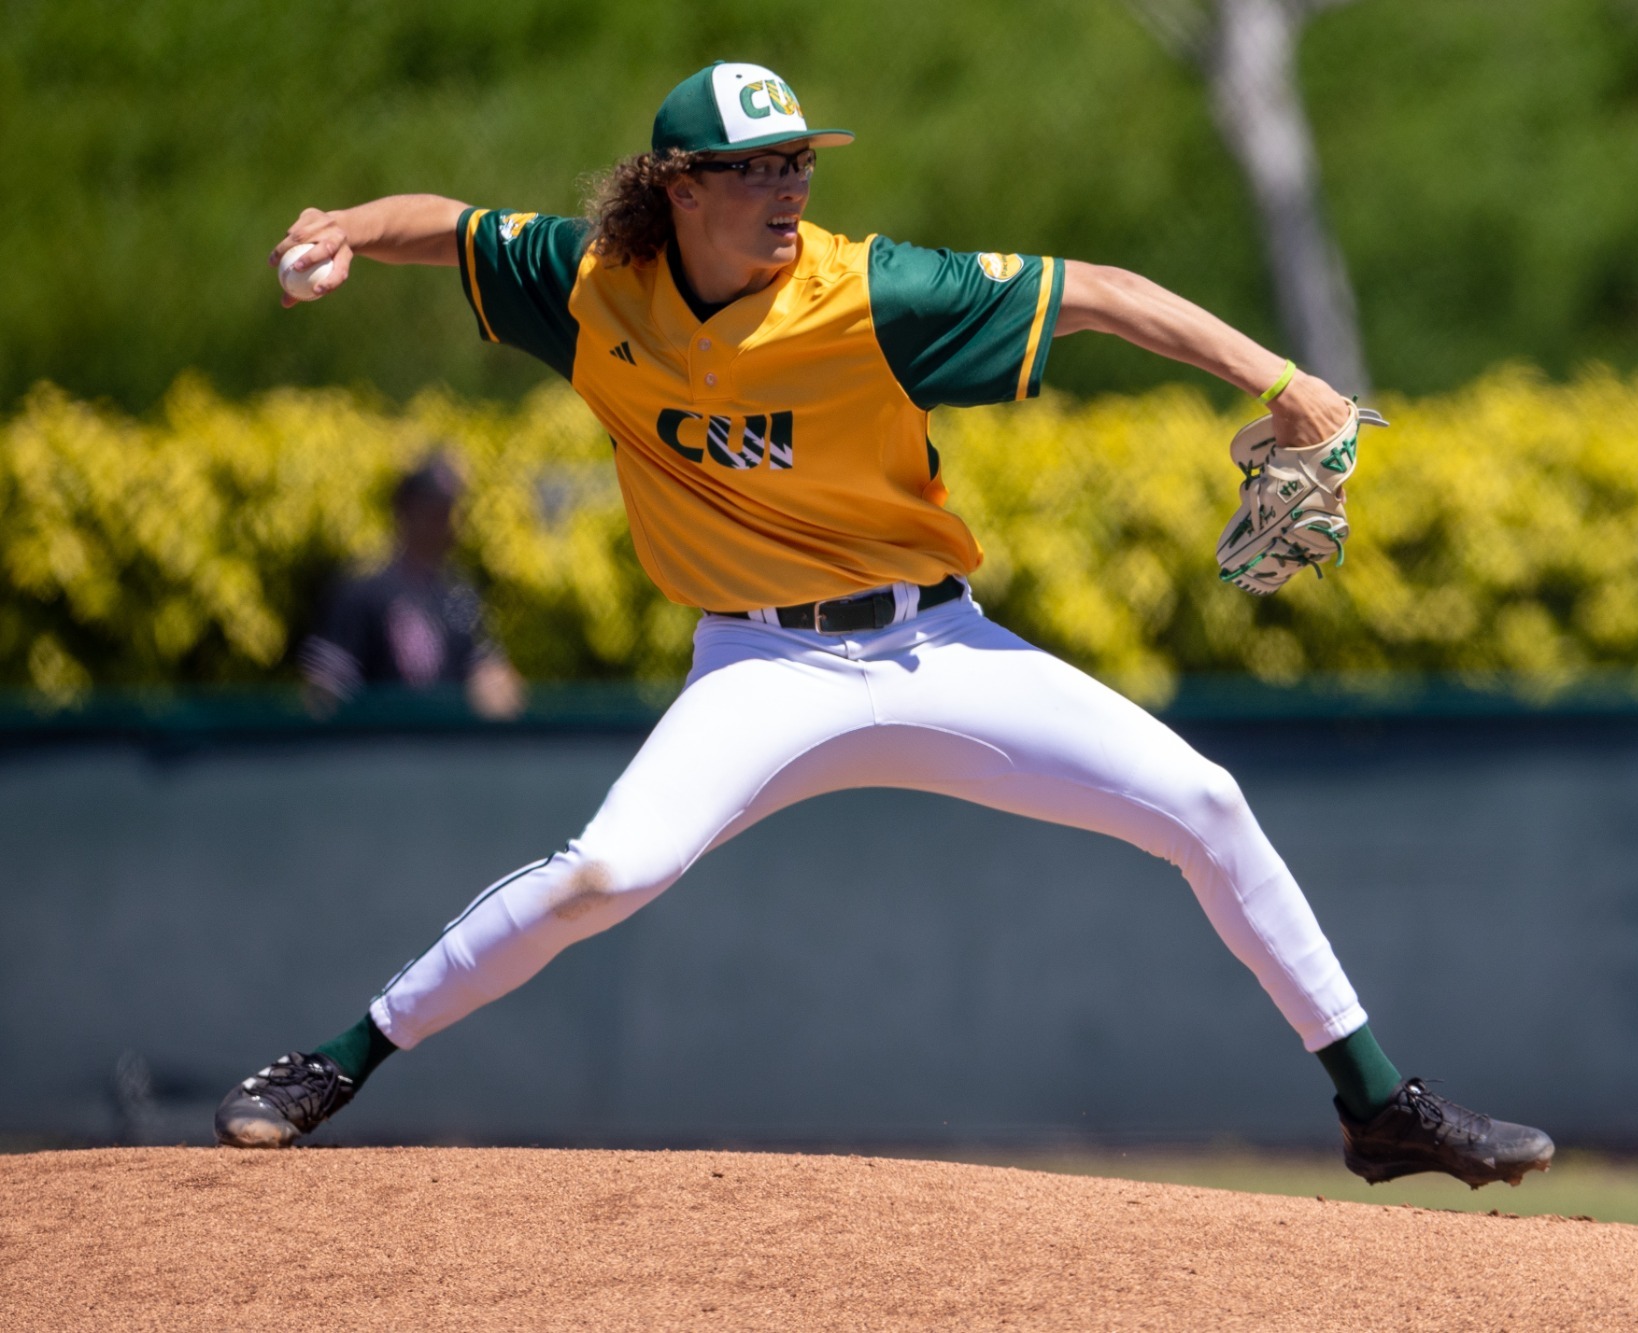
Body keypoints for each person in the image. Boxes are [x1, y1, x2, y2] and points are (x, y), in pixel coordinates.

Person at [217, 60, 1554, 1187]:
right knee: (606, 874)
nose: (791, 187)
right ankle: (336, 1060)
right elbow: (447, 226)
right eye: (757, 168)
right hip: (759, 662)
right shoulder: (589, 283)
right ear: (677, 187)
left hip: (941, 649)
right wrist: (346, 226)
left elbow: (1097, 290)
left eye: (801, 162)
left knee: (1204, 802)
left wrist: (1282, 379)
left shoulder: (872, 293)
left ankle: (1377, 1105)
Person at [299, 457, 526, 721]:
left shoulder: (458, 595)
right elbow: (323, 690)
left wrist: (496, 689)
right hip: (380, 742)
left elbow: (491, 673)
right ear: (405, 510)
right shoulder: (361, 590)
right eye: (434, 509)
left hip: (447, 743)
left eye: (450, 509)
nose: (445, 521)